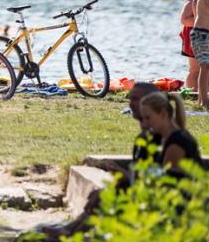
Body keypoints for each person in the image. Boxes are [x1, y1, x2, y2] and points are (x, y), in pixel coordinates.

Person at [39, 82, 162, 238]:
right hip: (146, 193)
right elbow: (142, 174)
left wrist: (123, 174)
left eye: (136, 99)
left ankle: (75, 232)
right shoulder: (144, 137)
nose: (131, 103)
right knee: (102, 193)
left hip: (158, 202)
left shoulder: (164, 138)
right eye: (130, 98)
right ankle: (73, 229)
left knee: (106, 195)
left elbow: (160, 180)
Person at [140, 91, 203, 176]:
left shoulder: (177, 143)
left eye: (148, 118)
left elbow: (167, 183)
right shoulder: (164, 138)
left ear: (163, 114)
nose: (144, 124)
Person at [178, 0, 203, 90]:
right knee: (194, 69)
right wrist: (204, 20)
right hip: (191, 35)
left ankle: (199, 91)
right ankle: (191, 92)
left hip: (202, 34)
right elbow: (184, 19)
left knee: (203, 67)